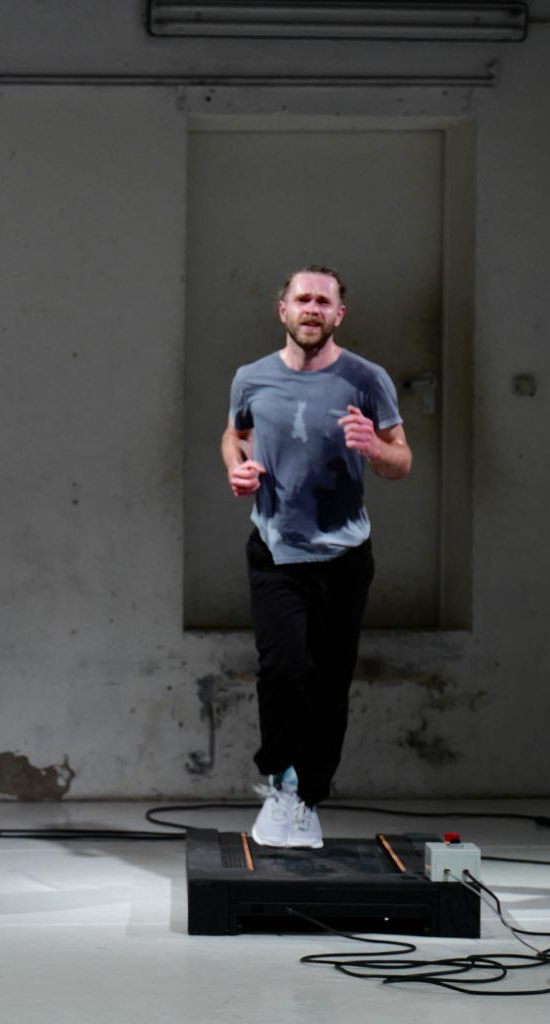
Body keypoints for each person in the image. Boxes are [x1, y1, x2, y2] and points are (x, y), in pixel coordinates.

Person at [221, 265, 411, 849]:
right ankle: (279, 782)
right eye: (302, 299)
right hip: (276, 552)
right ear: (283, 309)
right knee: (283, 669)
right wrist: (237, 468)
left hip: (343, 557)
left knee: (329, 684)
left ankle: (306, 798)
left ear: (338, 315)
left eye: (323, 302)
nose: (312, 309)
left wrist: (374, 447)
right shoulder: (251, 377)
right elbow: (235, 435)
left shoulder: (366, 379)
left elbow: (401, 460)